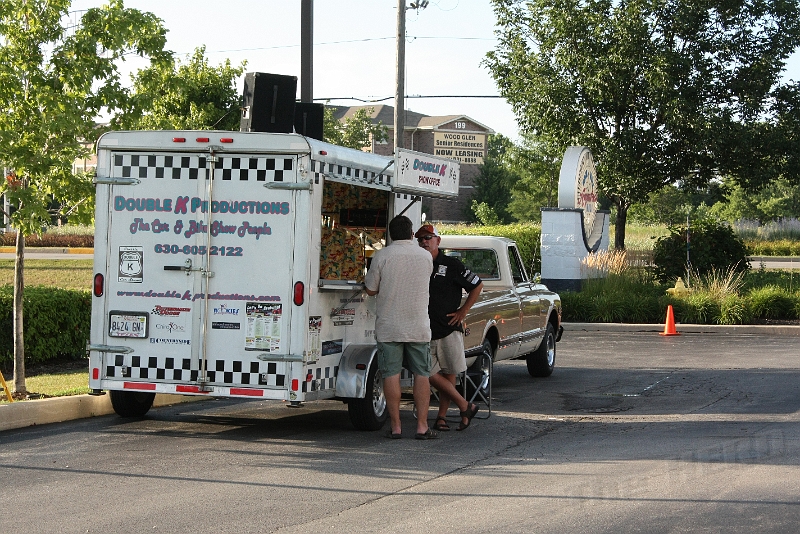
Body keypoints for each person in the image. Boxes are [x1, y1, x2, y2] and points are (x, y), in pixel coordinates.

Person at [364, 215, 438, 440]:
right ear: (411, 232)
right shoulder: (425, 257)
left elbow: (371, 290)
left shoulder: (382, 256)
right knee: (422, 374)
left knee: (391, 375)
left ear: (390, 233)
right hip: (418, 325)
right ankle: (422, 426)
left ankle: (396, 427)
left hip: (389, 326)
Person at [415, 223, 483, 431]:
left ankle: (442, 417)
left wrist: (463, 311)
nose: (424, 242)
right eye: (420, 239)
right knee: (426, 372)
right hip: (423, 329)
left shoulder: (452, 265)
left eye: (428, 238)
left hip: (448, 327)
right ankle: (465, 405)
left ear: (438, 241)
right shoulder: (416, 263)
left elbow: (477, 285)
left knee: (450, 373)